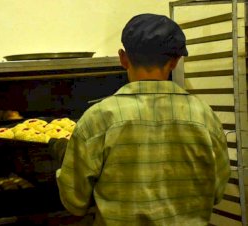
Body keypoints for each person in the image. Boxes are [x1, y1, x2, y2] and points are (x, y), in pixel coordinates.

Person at [48, 13, 230, 225]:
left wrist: (64, 155)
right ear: (175, 61)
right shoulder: (205, 116)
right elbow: (217, 192)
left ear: (123, 58)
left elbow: (75, 203)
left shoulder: (98, 118)